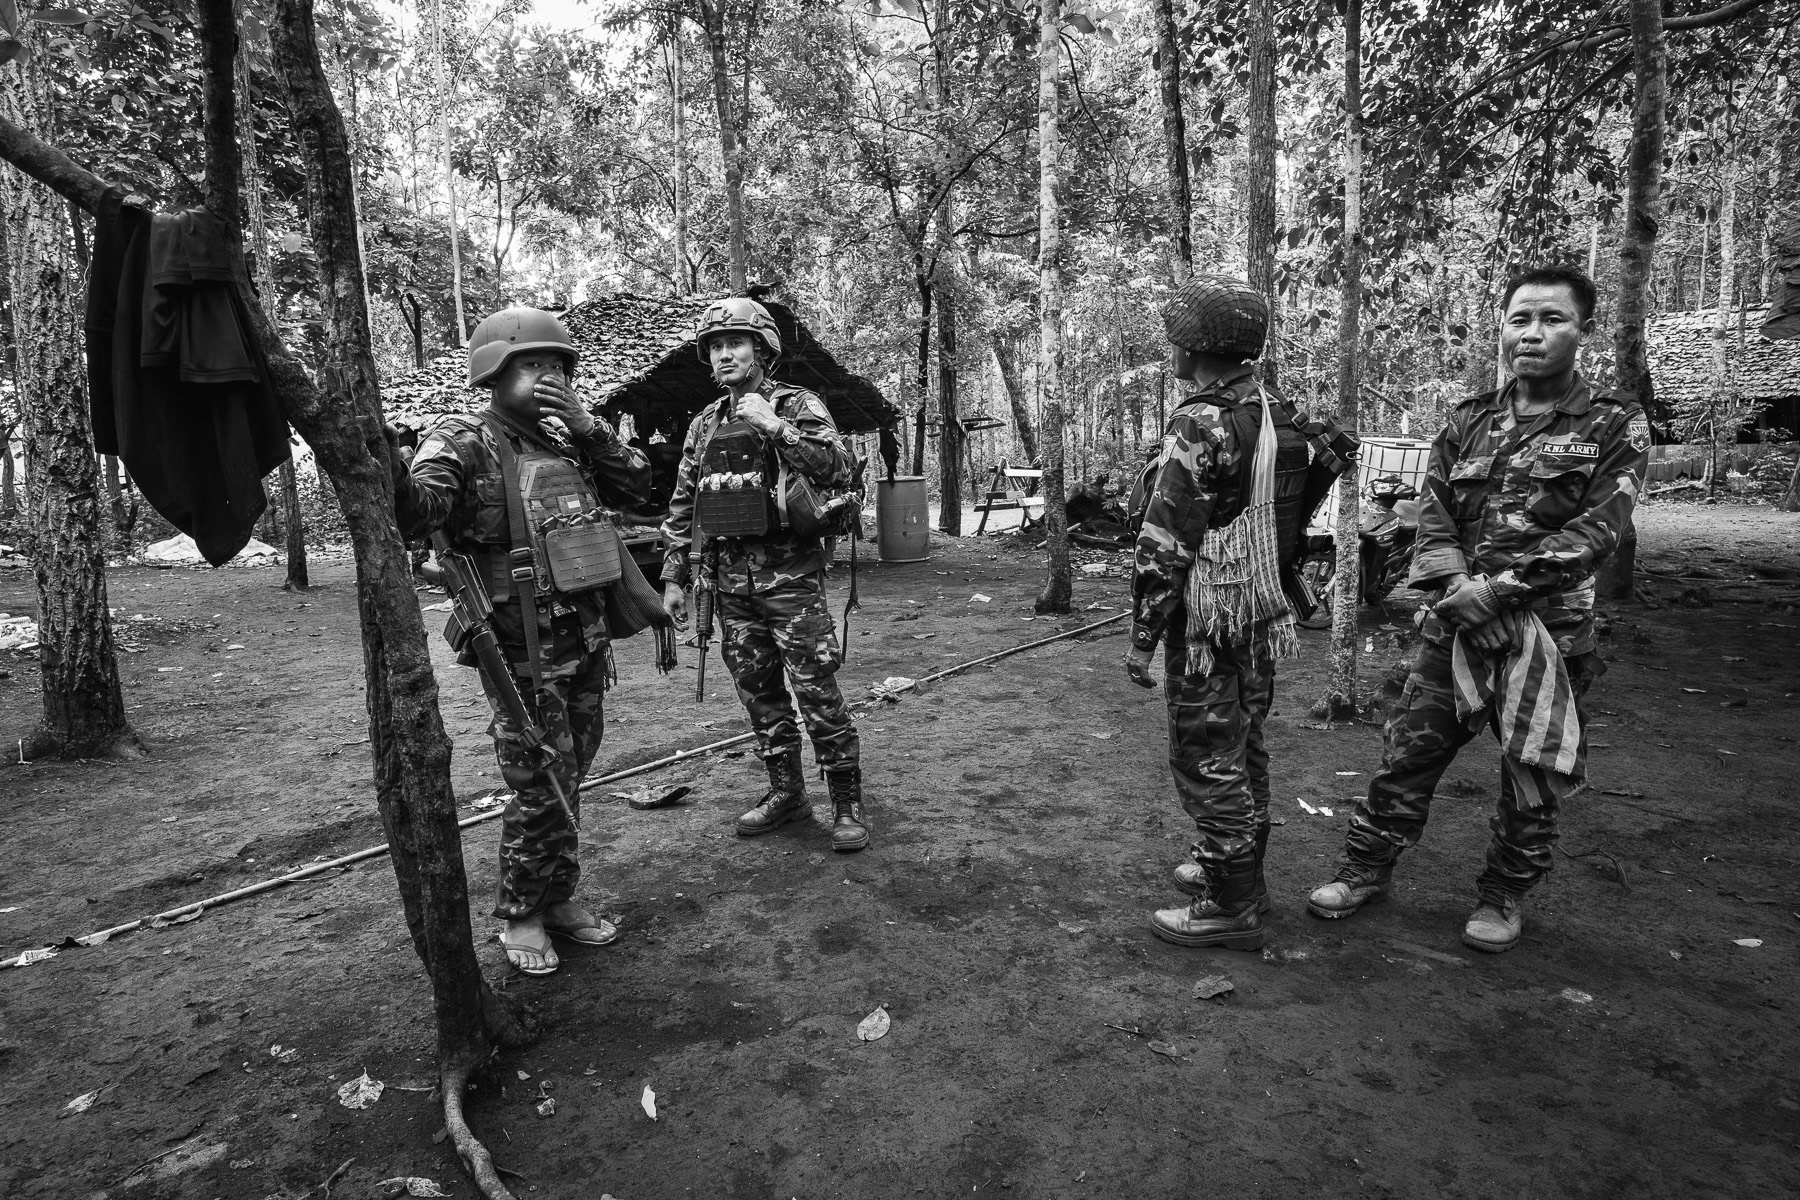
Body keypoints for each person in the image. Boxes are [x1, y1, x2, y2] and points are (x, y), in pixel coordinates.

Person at [1307, 265, 1648, 953]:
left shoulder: (1616, 422)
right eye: (1520, 318)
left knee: (1532, 772)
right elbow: (1430, 519)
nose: (1533, 333)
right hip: (1453, 631)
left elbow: (1598, 531)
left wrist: (1494, 592)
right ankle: (1364, 868)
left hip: (1549, 639)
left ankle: (1503, 896)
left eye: (1552, 319)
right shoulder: (1469, 421)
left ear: (1582, 330)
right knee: (1406, 753)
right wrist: (1459, 591)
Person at [393, 307, 653, 976]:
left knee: (572, 770)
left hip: (585, 638)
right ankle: (521, 912)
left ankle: (559, 897)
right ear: (496, 371)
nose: (550, 377)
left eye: (559, 366)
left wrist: (589, 425)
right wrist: (388, 468)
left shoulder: (568, 440)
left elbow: (637, 483)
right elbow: (416, 512)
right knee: (540, 780)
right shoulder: (462, 438)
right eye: (535, 364)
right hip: (519, 651)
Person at [1126, 275, 1328, 950]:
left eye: (1175, 338)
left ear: (1196, 347)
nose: (1169, 349)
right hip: (1261, 611)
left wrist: (1143, 638)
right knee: (1245, 744)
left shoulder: (1202, 422)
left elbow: (1165, 540)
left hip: (1209, 621)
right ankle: (1238, 870)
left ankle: (1230, 902)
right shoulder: (1282, 414)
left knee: (1207, 751)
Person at [660, 297, 867, 850]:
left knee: (816, 690)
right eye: (717, 346)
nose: (725, 354)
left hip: (791, 580)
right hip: (729, 585)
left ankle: (846, 801)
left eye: (736, 343)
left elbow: (839, 467)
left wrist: (779, 429)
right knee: (759, 693)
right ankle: (787, 792)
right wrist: (675, 576)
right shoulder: (705, 424)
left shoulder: (797, 404)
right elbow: (685, 505)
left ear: (762, 350)